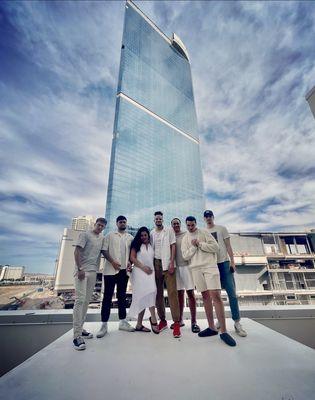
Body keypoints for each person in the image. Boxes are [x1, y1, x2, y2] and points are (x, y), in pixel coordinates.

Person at [181, 216, 236, 347]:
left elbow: (216, 247)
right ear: (186, 225)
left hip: (209, 266)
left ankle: (223, 331)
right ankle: (211, 328)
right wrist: (194, 247)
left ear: (195, 224)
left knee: (216, 296)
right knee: (205, 297)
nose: (190, 227)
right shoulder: (185, 239)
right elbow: (185, 256)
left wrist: (200, 244)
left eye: (192, 225)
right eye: (188, 225)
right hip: (195, 269)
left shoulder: (204, 232)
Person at [204, 210, 247, 337]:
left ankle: (237, 322)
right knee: (215, 296)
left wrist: (232, 262)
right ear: (204, 219)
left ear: (213, 217)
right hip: (212, 266)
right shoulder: (204, 232)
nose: (208, 218)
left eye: (210, 216)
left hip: (224, 263)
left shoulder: (222, 229)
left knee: (232, 294)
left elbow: (228, 246)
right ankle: (220, 320)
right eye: (206, 217)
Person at [96, 216, 134, 338]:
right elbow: (104, 250)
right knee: (107, 297)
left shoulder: (130, 237)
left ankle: (122, 322)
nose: (122, 223)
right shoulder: (110, 235)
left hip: (123, 271)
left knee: (122, 296)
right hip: (110, 271)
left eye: (124, 222)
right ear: (117, 223)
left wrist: (130, 263)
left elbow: (133, 254)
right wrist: (112, 261)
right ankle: (104, 325)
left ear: (126, 224)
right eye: (120, 222)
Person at [73, 217, 107, 350]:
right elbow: (77, 251)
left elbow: (103, 252)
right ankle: (76, 336)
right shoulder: (85, 234)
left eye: (102, 226)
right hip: (82, 271)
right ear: (95, 224)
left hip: (93, 272)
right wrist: (80, 268)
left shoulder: (101, 238)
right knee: (79, 300)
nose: (100, 228)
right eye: (98, 225)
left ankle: (80, 329)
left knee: (86, 301)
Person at [151, 211, 181, 338]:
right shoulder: (152, 232)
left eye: (160, 218)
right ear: (154, 220)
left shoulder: (169, 230)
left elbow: (173, 246)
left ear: (162, 220)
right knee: (158, 294)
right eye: (156, 219)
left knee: (172, 293)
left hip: (168, 262)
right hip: (156, 264)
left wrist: (171, 262)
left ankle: (176, 323)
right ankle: (163, 320)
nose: (158, 220)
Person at [171, 218, 200, 333]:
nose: (176, 225)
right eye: (174, 224)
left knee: (190, 293)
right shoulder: (170, 235)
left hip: (187, 267)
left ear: (180, 224)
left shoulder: (186, 234)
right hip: (175, 267)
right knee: (179, 294)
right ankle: (180, 320)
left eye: (178, 223)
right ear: (171, 225)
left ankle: (194, 322)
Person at [128, 227, 160, 334]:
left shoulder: (151, 245)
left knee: (151, 293)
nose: (143, 237)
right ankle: (153, 320)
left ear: (148, 235)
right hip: (139, 273)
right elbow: (132, 258)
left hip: (151, 274)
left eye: (145, 235)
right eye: (141, 235)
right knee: (144, 296)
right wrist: (143, 267)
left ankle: (139, 324)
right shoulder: (136, 245)